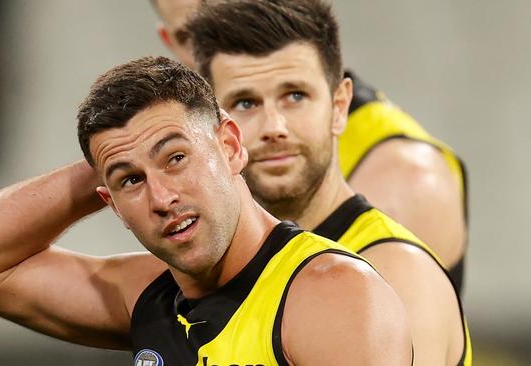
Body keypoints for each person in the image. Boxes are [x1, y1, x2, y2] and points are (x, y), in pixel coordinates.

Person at [0, 56, 413, 365]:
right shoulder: (146, 296)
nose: (161, 199)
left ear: (230, 146)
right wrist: (108, 158)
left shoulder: (331, 296)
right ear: (109, 204)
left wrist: (122, 157)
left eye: (176, 158)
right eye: (131, 182)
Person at [184, 1, 472, 365]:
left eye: (295, 97)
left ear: (339, 107)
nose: (274, 127)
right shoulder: (210, 267)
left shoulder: (396, 274)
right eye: (245, 103)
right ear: (214, 129)